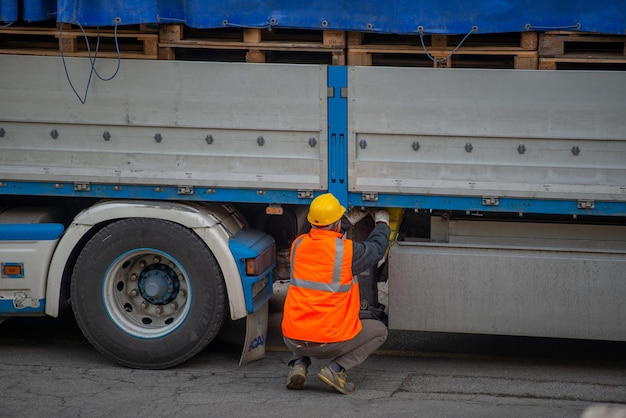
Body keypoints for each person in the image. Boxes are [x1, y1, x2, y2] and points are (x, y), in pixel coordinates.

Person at [281, 193, 391, 394]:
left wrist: (347, 220)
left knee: (300, 314)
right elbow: (376, 249)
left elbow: (323, 234)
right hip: (327, 344)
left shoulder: (298, 245)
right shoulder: (347, 252)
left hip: (292, 340)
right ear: (336, 224)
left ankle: (298, 364)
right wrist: (382, 222)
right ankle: (335, 369)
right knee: (379, 331)